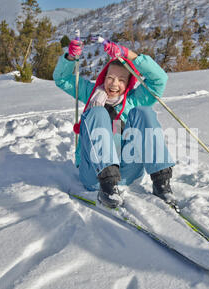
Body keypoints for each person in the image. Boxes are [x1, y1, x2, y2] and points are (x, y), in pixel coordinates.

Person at [53, 36, 176, 208]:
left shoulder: (134, 100)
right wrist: (71, 58)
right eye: (110, 77)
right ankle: (107, 186)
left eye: (121, 80)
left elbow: (159, 79)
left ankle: (161, 182)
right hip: (94, 175)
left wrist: (129, 54)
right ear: (104, 77)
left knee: (144, 112)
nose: (114, 84)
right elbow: (62, 79)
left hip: (127, 170)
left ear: (129, 83)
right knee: (97, 112)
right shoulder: (90, 93)